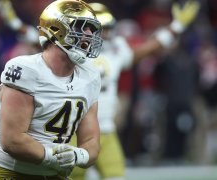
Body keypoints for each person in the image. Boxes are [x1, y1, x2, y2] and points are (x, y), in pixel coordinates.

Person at [69, 1, 200, 180]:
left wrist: (176, 27)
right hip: (75, 128)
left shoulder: (116, 49)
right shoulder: (70, 53)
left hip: (106, 128)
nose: (106, 33)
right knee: (72, 176)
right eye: (100, 28)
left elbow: (147, 49)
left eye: (108, 27)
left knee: (115, 175)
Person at [0, 0, 103, 179]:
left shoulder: (90, 75)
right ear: (56, 29)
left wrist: (79, 155)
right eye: (81, 27)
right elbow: (12, 140)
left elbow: (91, 141)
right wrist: (53, 159)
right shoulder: (27, 69)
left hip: (54, 174)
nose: (89, 34)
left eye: (92, 29)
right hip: (11, 173)